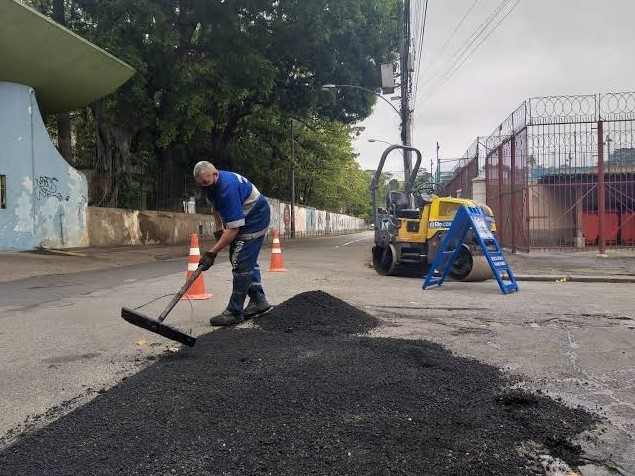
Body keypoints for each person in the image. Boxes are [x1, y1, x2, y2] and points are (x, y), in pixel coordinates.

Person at [193, 161, 272, 326]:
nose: (204, 186)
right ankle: (258, 299)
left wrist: (211, 253)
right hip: (245, 216)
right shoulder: (211, 186)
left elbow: (234, 229)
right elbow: (216, 207)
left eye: (206, 182)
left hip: (256, 217)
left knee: (241, 260)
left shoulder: (226, 188)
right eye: (200, 184)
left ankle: (235, 311)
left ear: (215, 174)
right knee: (241, 257)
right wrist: (218, 228)